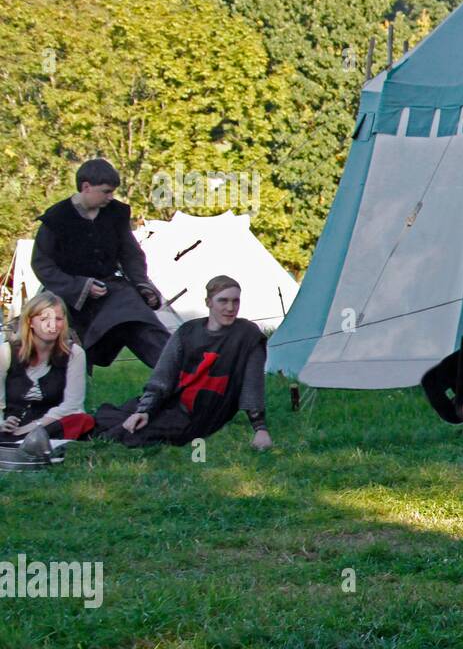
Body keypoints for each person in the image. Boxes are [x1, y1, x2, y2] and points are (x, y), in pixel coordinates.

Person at [93, 276, 272, 450]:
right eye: (222, 301)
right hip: (172, 401)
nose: (230, 308)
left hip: (200, 416)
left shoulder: (247, 335)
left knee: (133, 434)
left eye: (236, 301)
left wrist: (260, 428)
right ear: (208, 302)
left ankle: (97, 443)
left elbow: (252, 383)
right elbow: (163, 376)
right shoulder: (188, 332)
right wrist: (145, 410)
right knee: (111, 419)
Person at [32, 158, 170, 371]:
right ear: (86, 187)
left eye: (112, 192)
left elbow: (130, 254)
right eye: (106, 191)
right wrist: (80, 286)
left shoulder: (116, 214)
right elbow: (42, 265)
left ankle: (180, 375)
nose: (110, 197)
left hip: (110, 290)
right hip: (65, 295)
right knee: (59, 339)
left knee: (138, 318)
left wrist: (142, 284)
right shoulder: (56, 218)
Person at [0, 292, 96, 460]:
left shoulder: (74, 354)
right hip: (11, 424)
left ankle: (30, 443)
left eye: (58, 319)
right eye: (44, 319)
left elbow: (72, 405)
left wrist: (31, 428)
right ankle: (20, 443)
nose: (52, 325)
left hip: (51, 423)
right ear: (30, 322)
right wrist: (2, 423)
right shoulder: (6, 352)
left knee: (82, 419)